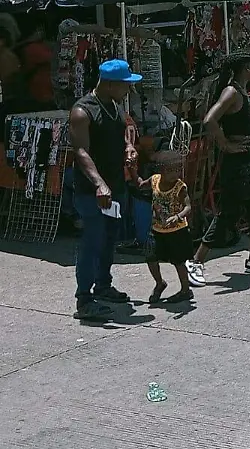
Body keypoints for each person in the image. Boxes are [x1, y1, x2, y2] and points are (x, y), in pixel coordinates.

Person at [186, 50, 250, 287]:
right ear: (247, 68)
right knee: (228, 213)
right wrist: (225, 144)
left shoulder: (240, 91)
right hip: (237, 163)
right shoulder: (231, 92)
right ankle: (195, 262)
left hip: (247, 158)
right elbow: (210, 120)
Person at [69, 60, 140, 322]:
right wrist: (99, 182)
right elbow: (80, 151)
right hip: (92, 190)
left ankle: (103, 285)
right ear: (109, 84)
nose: (129, 90)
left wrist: (128, 148)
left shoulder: (114, 107)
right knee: (92, 239)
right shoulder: (82, 111)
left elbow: (122, 134)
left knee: (110, 237)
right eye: (125, 85)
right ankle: (84, 299)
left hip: (115, 187)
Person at [135, 150, 194, 304]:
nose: (175, 174)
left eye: (177, 170)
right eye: (170, 171)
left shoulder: (180, 187)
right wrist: (131, 169)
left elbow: (188, 207)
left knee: (178, 261)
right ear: (161, 171)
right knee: (150, 257)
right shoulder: (154, 180)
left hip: (177, 231)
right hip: (157, 230)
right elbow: (141, 184)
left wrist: (178, 216)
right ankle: (159, 283)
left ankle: (185, 289)